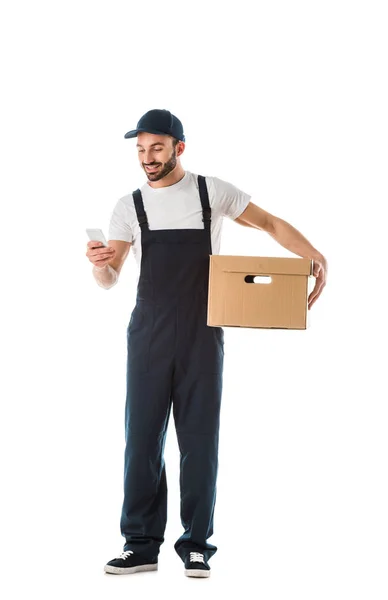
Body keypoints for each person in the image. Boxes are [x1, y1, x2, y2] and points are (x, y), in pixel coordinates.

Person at [86, 109, 328, 578]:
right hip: (149, 334)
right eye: (140, 149)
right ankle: (139, 544)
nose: (147, 157)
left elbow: (270, 224)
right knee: (141, 441)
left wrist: (314, 255)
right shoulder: (128, 205)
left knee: (199, 441)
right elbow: (108, 278)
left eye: (156, 147)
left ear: (179, 147)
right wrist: (98, 263)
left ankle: (196, 544)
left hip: (203, 330)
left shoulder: (209, 191)